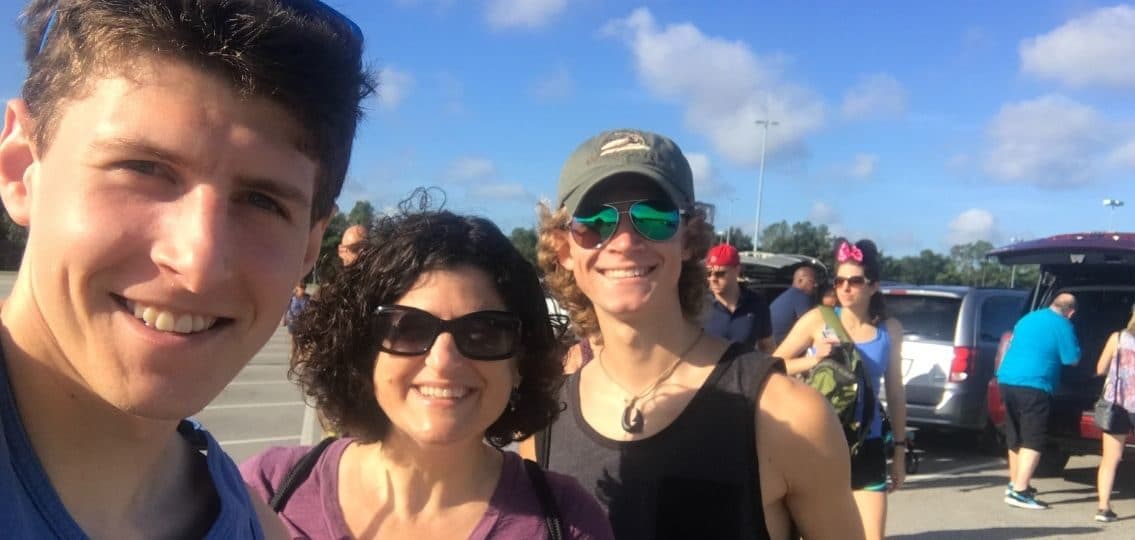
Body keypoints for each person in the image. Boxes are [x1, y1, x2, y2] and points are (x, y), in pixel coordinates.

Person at [0, 0, 374, 537]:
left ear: (312, 242)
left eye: (263, 201)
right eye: (144, 168)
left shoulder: (258, 526)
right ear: (21, 169)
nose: (198, 263)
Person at [525, 128, 862, 539]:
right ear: (564, 249)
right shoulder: (545, 419)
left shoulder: (787, 416)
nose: (626, 240)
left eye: (654, 217)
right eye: (596, 223)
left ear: (688, 238)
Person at [242, 202, 614, 539]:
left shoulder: (568, 522)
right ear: (364, 349)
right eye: (409, 328)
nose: (444, 360)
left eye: (483, 332)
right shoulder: (264, 492)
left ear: (520, 362)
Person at [773, 238, 907, 540]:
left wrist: (899, 451)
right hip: (818, 442)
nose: (845, 288)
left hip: (866, 443)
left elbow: (897, 395)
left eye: (855, 281)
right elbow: (771, 365)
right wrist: (813, 360)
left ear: (873, 286)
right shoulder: (818, 320)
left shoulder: (890, 330)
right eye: (840, 280)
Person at [996, 293, 1080, 510]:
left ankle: (1014, 483)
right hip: (1034, 384)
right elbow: (1071, 359)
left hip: (1006, 379)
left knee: (1015, 436)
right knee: (1034, 439)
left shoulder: (1028, 318)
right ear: (1071, 312)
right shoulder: (1062, 324)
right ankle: (1020, 492)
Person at [1093, 305, 1135, 523]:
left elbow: (1100, 368)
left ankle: (1103, 507)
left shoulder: (1117, 338)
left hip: (1116, 403)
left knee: (1110, 458)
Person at [704, 243, 774, 352]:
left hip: (746, 368)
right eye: (708, 273)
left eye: (720, 273)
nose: (712, 279)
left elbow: (767, 346)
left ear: (737, 270)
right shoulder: (699, 304)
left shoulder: (757, 304)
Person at [769, 264, 818, 345]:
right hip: (781, 346)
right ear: (800, 280)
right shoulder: (801, 297)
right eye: (812, 281)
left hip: (770, 345)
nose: (816, 285)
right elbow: (810, 326)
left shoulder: (788, 295)